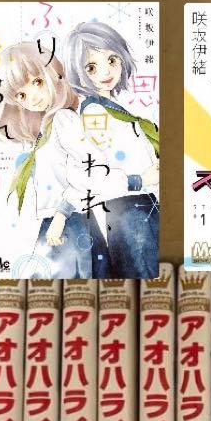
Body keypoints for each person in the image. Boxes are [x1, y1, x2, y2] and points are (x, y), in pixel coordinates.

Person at [64, 21, 160, 278]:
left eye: (112, 60)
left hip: (138, 205)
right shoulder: (95, 112)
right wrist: (139, 179)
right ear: (78, 72)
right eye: (91, 67)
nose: (105, 72)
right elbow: (93, 172)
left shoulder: (113, 108)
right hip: (129, 208)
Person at [0, 41, 94, 278]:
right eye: (21, 94)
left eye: (37, 82)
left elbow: (86, 169)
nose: (32, 97)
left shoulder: (63, 120)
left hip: (67, 218)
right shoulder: (47, 127)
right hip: (56, 220)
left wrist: (61, 216)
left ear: (53, 75)